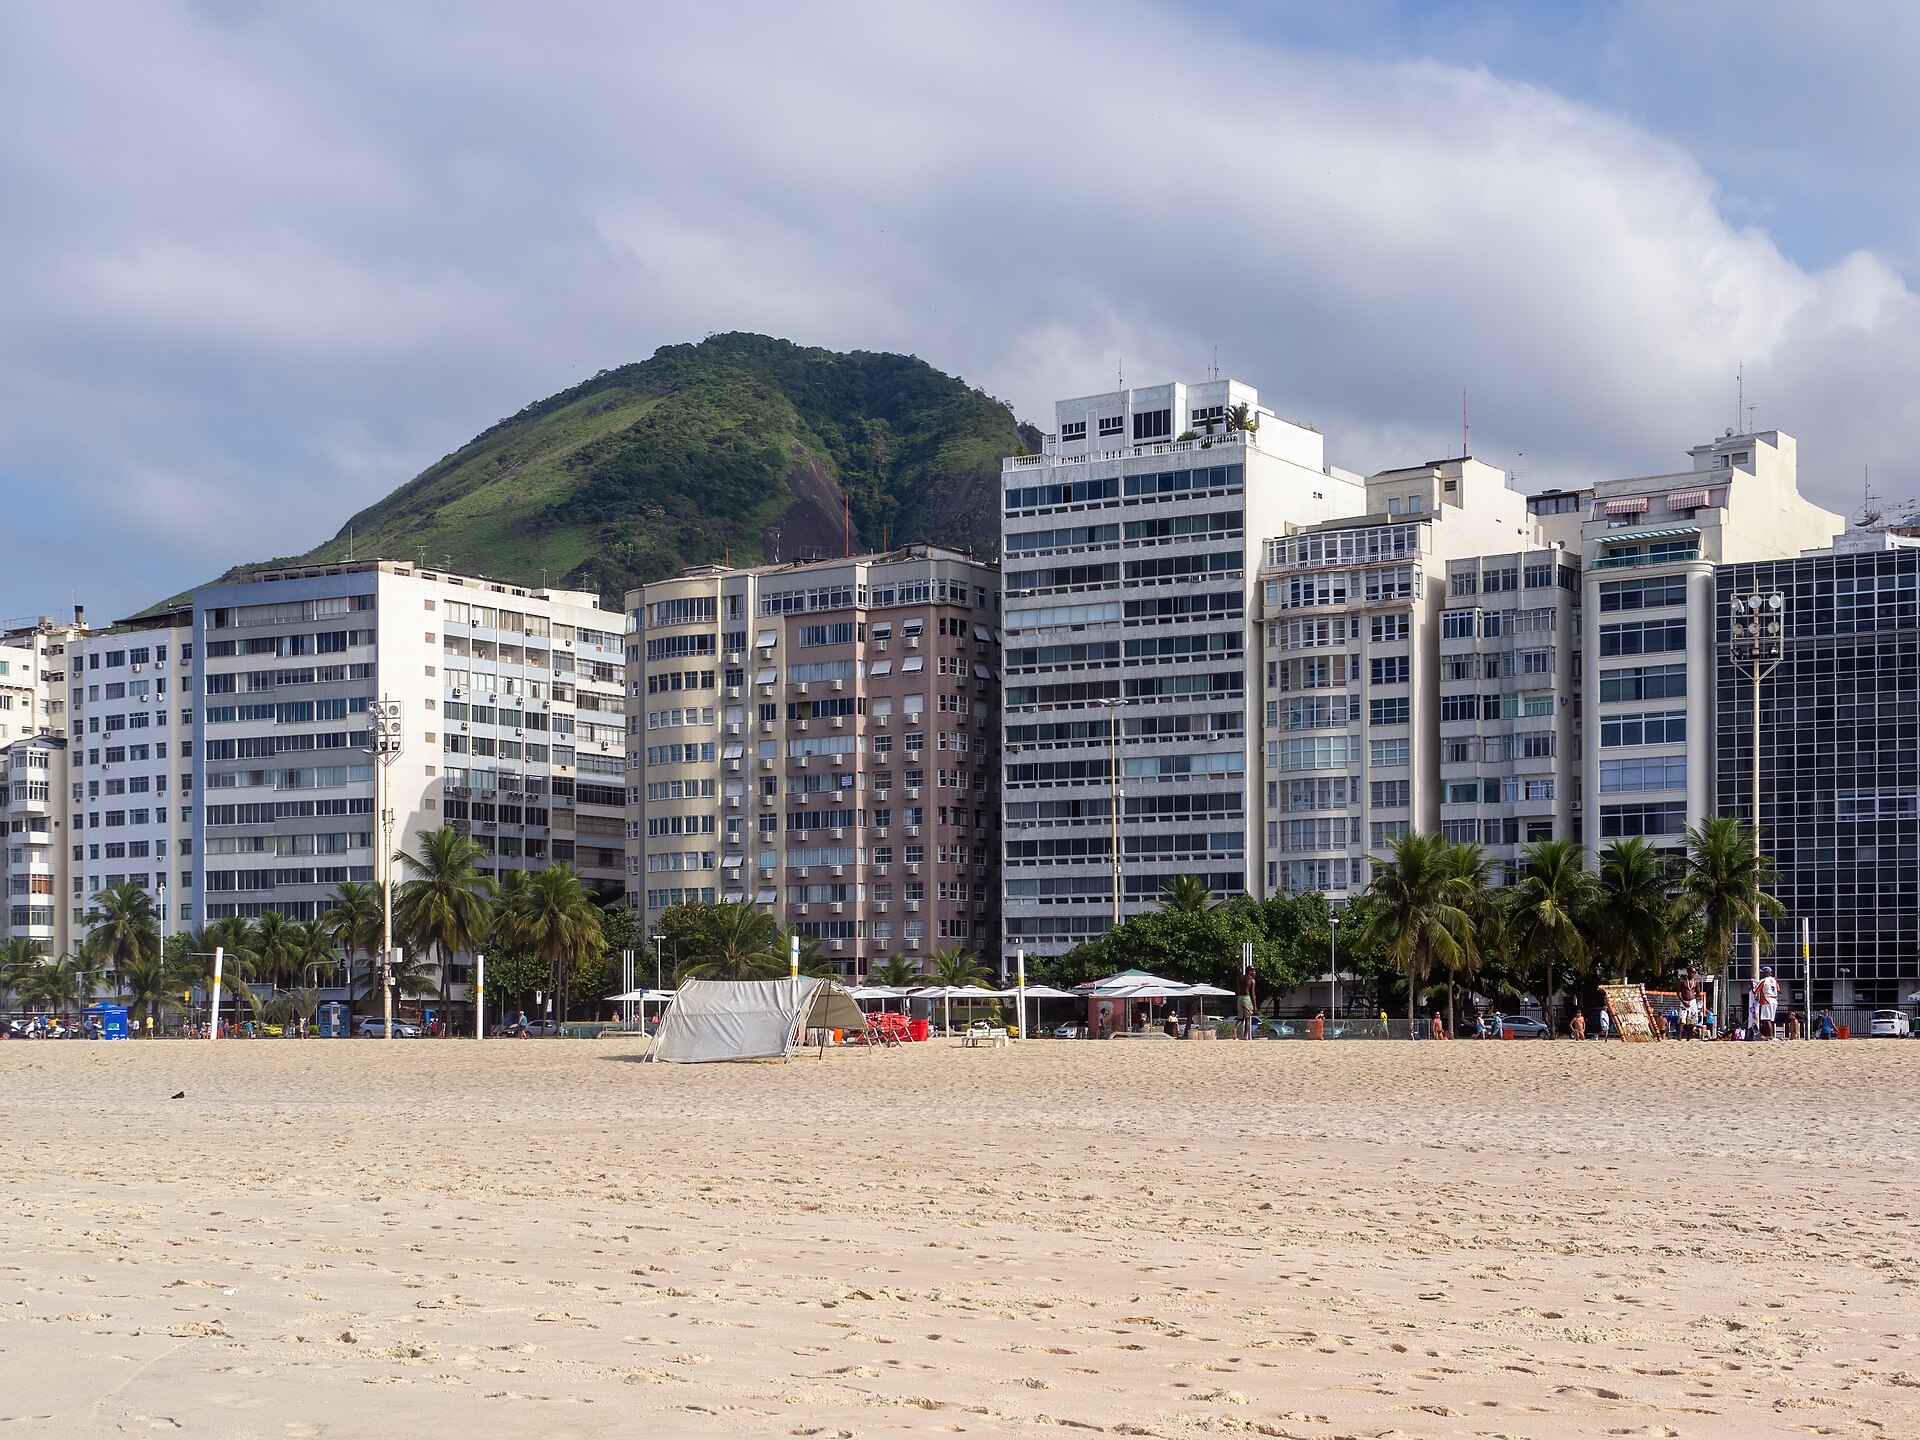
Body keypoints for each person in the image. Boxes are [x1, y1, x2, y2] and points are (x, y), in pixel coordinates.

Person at [1758, 968, 1780, 1040]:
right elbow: (1778, 989)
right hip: (1774, 1000)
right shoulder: (1774, 981)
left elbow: (1756, 991)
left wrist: (1751, 984)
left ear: (1766, 973)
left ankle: (1770, 1036)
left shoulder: (1763, 981)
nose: (1761, 974)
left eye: (1762, 973)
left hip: (1766, 1000)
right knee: (1770, 1019)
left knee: (1767, 1019)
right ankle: (1770, 1035)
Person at [1236, 969, 1256, 1040]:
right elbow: (1253, 993)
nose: (1254, 973)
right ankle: (1245, 1036)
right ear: (1250, 972)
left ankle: (1235, 1029)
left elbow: (1238, 989)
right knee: (1248, 1018)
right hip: (1246, 998)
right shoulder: (1252, 980)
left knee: (1240, 1017)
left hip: (1239, 998)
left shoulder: (1240, 978)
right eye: (1253, 971)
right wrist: (1255, 1005)